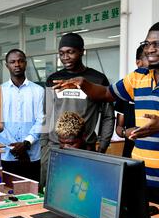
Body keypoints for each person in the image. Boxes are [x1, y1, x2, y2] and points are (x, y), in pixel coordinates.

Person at [53, 20, 159, 214]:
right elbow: (107, 93)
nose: (150, 49)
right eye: (147, 44)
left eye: (157, 44)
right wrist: (84, 84)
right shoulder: (138, 77)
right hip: (140, 176)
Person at [40, 32, 115, 189]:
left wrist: (102, 147)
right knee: (54, 189)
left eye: (70, 52)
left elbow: (108, 116)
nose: (65, 57)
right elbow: (46, 114)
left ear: (82, 51)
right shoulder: (53, 79)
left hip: (86, 148)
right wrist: (44, 146)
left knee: (83, 191)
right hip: (55, 146)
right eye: (61, 53)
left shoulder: (97, 79)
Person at [0, 49, 44, 182]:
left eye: (20, 61)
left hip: (31, 156)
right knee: (6, 195)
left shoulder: (38, 91)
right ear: (7, 65)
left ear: (26, 63)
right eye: (12, 62)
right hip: (6, 155)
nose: (17, 64)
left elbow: (41, 120)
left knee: (32, 195)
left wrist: (26, 143)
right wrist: (15, 147)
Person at [115, 45, 149, 157]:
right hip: (131, 154)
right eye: (149, 57)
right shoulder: (127, 89)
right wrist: (126, 133)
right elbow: (119, 128)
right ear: (138, 63)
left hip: (158, 156)